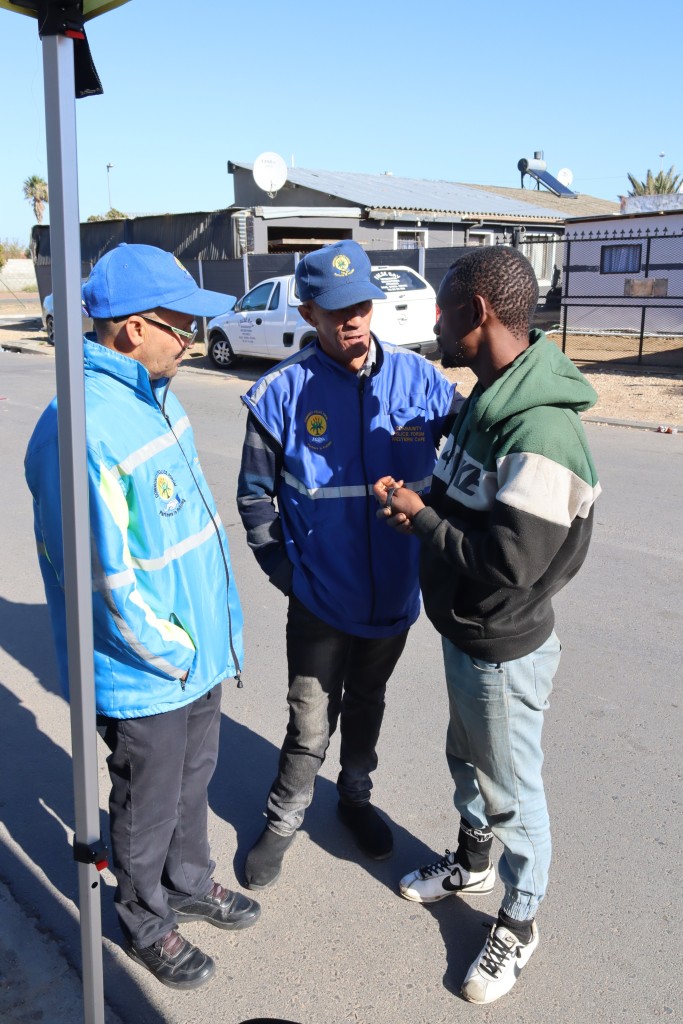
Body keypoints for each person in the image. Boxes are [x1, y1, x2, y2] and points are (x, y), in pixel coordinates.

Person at [25, 244, 260, 990]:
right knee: (146, 804)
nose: (193, 338)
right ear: (133, 328)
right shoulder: (81, 428)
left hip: (193, 654)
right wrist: (173, 650)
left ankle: (187, 882)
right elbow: (105, 582)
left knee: (193, 780)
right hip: (146, 667)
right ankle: (145, 920)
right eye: (182, 324)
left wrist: (205, 642)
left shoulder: (155, 394)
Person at [373, 245, 601, 1005]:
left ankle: (519, 919)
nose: (434, 322)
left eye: (442, 310)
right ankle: (472, 864)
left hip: (502, 644)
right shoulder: (487, 395)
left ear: (476, 313)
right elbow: (464, 498)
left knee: (512, 792)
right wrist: (422, 498)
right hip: (465, 630)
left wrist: (421, 519)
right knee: (466, 759)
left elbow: (509, 564)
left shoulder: (542, 432)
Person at [237, 240, 461, 890]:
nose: (352, 320)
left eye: (360, 305)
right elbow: (254, 499)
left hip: (394, 596)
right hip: (319, 601)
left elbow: (469, 461)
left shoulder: (422, 383)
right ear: (308, 312)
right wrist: (289, 576)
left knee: (368, 702)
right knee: (309, 722)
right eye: (335, 310)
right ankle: (283, 820)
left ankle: (355, 798)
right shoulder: (280, 393)